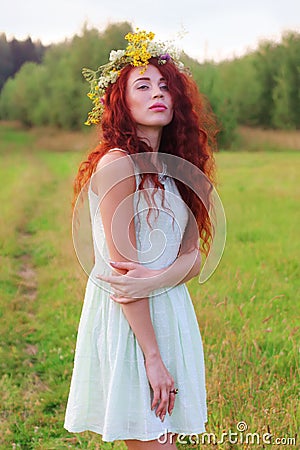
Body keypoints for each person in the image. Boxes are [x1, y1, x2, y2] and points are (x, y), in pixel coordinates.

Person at [64, 29, 218, 449]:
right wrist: (152, 357)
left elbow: (194, 259)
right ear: (121, 100)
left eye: (165, 86)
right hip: (133, 323)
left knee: (164, 439)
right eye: (143, 85)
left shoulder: (180, 168)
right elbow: (121, 276)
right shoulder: (117, 164)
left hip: (169, 311)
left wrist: (153, 280)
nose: (158, 94)